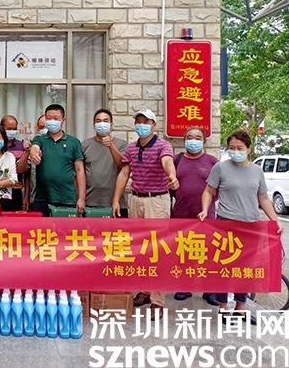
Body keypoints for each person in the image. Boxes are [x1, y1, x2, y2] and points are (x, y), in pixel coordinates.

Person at [199, 130, 282, 323]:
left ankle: (240, 306)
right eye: (232, 148)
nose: (235, 151)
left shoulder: (257, 171)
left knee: (246, 268)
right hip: (225, 224)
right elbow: (208, 191)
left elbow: (263, 198)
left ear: (249, 148)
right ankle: (223, 306)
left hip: (250, 226)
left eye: (240, 148)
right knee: (224, 266)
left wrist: (274, 219)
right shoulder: (220, 168)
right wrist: (204, 210)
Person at [112, 109, 179, 320]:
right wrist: (116, 199)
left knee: (157, 250)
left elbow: (167, 162)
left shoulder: (163, 145)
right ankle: (144, 290)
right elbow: (124, 173)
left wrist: (172, 176)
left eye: (146, 121)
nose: (141, 125)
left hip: (157, 201)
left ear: (153, 125)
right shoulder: (131, 148)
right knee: (140, 249)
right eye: (138, 121)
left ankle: (157, 300)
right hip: (136, 199)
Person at [171, 127, 219, 305]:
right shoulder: (177, 160)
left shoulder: (212, 162)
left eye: (197, 138)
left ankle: (210, 290)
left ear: (204, 141)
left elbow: (219, 187)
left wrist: (209, 204)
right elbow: (170, 185)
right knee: (183, 251)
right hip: (181, 213)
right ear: (184, 140)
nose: (193, 141)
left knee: (208, 252)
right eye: (189, 137)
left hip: (206, 215)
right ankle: (184, 286)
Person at [29, 105, 86, 217]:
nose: (52, 121)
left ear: (63, 120)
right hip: (42, 198)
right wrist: (34, 152)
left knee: (65, 228)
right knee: (41, 228)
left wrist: (81, 198)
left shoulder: (74, 142)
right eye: (49, 118)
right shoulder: (40, 139)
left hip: (67, 198)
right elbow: (35, 147)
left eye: (55, 118)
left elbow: (80, 171)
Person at [81, 109, 128, 216]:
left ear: (111, 124)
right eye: (98, 121)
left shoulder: (122, 144)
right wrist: (81, 198)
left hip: (116, 203)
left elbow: (122, 165)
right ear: (94, 124)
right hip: (90, 202)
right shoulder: (85, 144)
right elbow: (80, 173)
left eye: (105, 121)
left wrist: (111, 146)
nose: (102, 124)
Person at [0, 115, 27, 211]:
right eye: (9, 129)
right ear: (2, 128)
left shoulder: (21, 146)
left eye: (14, 129)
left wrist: (26, 196)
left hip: (16, 192)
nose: (12, 131)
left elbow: (26, 174)